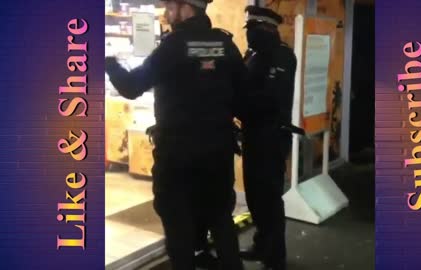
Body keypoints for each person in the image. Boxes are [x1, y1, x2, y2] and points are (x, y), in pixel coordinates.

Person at [105, 0, 246, 269]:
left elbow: (132, 86)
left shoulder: (173, 46)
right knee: (220, 220)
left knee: (178, 225)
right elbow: (243, 99)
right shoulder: (225, 44)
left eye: (171, 7)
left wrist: (110, 63)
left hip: (177, 156)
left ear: (186, 8)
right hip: (218, 152)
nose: (167, 13)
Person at [239, 6, 297, 270]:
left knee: (270, 199)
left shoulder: (282, 56)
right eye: (249, 30)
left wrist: (236, 104)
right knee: (254, 196)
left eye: (255, 30)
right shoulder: (252, 55)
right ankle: (262, 245)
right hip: (252, 135)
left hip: (272, 136)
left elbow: (270, 99)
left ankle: (275, 258)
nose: (251, 35)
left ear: (270, 29)